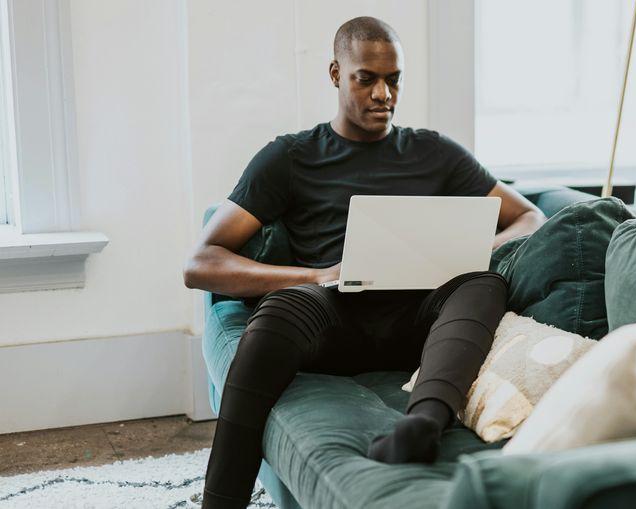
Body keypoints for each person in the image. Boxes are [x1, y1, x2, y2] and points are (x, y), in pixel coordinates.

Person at [183, 16, 545, 509]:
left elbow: (529, 217)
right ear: (336, 74)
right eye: (366, 78)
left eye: (393, 80)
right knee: (278, 313)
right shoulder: (290, 157)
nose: (383, 94)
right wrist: (315, 275)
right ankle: (220, 500)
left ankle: (422, 425)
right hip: (333, 317)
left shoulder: (434, 152)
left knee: (483, 284)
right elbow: (201, 262)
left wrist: (471, 253)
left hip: (420, 325)